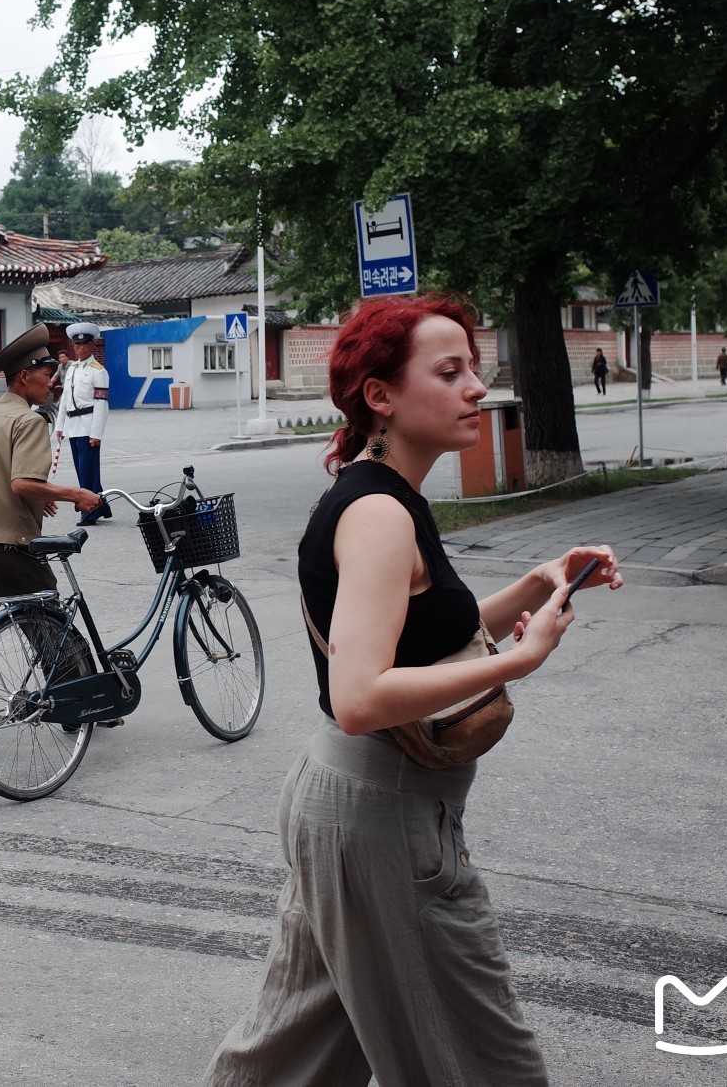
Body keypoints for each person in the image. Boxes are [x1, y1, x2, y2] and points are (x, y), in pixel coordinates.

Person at [205, 293, 620, 1086]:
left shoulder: (386, 495)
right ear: (381, 396)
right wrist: (517, 661)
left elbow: (420, 635)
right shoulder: (379, 514)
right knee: (480, 1060)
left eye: (473, 367)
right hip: (382, 816)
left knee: (293, 1058)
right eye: (451, 371)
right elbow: (362, 694)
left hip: (352, 806)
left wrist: (537, 588)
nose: (476, 387)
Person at [0, 323, 102, 768]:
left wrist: (37, 499)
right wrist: (75, 495)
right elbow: (21, 482)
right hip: (12, 546)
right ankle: (76, 706)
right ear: (24, 376)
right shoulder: (29, 421)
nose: (52, 381)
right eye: (46, 373)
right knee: (50, 623)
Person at [55, 322, 113, 525]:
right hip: (72, 425)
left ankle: (88, 512)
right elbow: (64, 399)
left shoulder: (99, 371)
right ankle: (101, 505)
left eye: (83, 345)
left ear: (92, 346)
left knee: (88, 471)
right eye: (76, 345)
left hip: (89, 426)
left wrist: (96, 433)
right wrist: (59, 426)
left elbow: (101, 404)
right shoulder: (71, 369)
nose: (79, 349)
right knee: (83, 470)